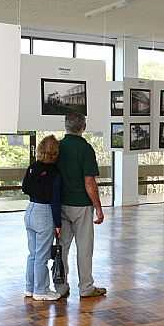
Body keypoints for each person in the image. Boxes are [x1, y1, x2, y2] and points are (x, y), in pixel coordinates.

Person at [56, 113, 107, 298]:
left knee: (62, 247)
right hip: (82, 206)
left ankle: (60, 287)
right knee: (84, 248)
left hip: (61, 205)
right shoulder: (85, 149)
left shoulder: (58, 147)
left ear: (66, 126)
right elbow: (89, 182)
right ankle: (86, 287)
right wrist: (99, 208)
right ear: (83, 127)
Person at [21, 135, 62, 301]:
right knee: (42, 256)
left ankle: (29, 288)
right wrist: (58, 223)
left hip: (30, 210)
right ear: (55, 153)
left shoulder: (32, 167)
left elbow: (25, 188)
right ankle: (41, 290)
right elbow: (55, 200)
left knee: (32, 254)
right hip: (44, 213)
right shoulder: (55, 172)